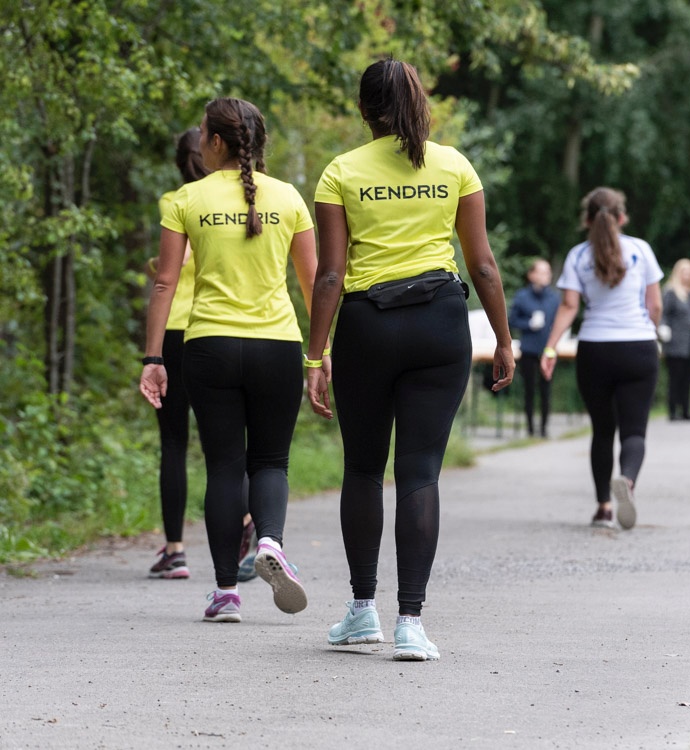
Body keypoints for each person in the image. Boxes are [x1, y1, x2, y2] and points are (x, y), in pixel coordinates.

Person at [306, 59, 513, 661]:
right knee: (420, 471)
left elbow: (330, 275)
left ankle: (361, 611)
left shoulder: (341, 171)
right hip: (439, 324)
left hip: (367, 327)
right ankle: (411, 623)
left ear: (363, 109)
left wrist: (315, 356)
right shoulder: (453, 165)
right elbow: (481, 264)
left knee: (364, 469)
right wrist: (503, 339)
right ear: (421, 103)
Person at [140, 97, 317, 624]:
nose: (200, 140)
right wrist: (322, 354)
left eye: (202, 133)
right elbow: (313, 283)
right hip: (277, 344)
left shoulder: (187, 198)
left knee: (223, 465)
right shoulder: (288, 197)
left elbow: (165, 283)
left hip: (209, 346)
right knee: (272, 462)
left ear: (216, 142)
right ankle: (270, 541)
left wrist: (153, 356)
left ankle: (225, 594)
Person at [145, 127, 258, 584]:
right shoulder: (243, 198)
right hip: (219, 328)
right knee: (224, 445)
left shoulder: (177, 201)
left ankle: (175, 551)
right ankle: (247, 521)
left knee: (174, 442)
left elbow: (172, 268)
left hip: (176, 330)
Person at [541, 187, 663, 531]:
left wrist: (550, 348)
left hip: (595, 349)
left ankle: (604, 508)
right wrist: (651, 333)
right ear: (622, 217)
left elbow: (569, 307)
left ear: (587, 219)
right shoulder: (640, 250)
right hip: (638, 345)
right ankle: (627, 478)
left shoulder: (578, 255)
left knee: (602, 430)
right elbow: (654, 305)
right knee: (634, 430)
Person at [509, 258, 560, 437]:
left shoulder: (554, 298)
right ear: (531, 275)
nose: (545, 275)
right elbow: (512, 320)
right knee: (529, 390)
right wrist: (529, 324)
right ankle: (530, 429)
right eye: (541, 271)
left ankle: (544, 429)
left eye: (547, 272)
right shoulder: (522, 296)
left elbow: (559, 322)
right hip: (529, 349)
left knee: (546, 390)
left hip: (548, 349)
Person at [660, 258, 690, 421]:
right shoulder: (670, 292)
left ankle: (686, 410)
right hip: (676, 342)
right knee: (675, 377)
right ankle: (672, 411)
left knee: (688, 378)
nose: (687, 276)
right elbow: (663, 314)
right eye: (684, 272)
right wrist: (663, 330)